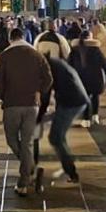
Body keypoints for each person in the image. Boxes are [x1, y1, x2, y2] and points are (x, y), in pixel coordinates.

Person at [0, 28, 53, 196]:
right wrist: (39, 91)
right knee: (27, 143)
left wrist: (2, 95)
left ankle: (24, 179)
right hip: (32, 104)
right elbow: (48, 78)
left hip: (12, 104)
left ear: (11, 39)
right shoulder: (36, 55)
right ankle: (29, 168)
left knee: (12, 139)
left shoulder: (5, 56)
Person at [43, 51, 89, 184]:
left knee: (55, 137)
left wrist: (40, 115)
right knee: (59, 136)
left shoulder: (48, 67)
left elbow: (46, 93)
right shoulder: (54, 62)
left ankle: (71, 171)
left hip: (72, 103)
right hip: (75, 100)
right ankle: (68, 166)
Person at [69, 29, 106, 128]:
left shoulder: (75, 50)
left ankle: (85, 120)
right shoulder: (95, 49)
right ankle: (95, 116)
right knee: (95, 97)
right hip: (95, 78)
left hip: (80, 78)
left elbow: (69, 65)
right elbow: (104, 63)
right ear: (89, 37)